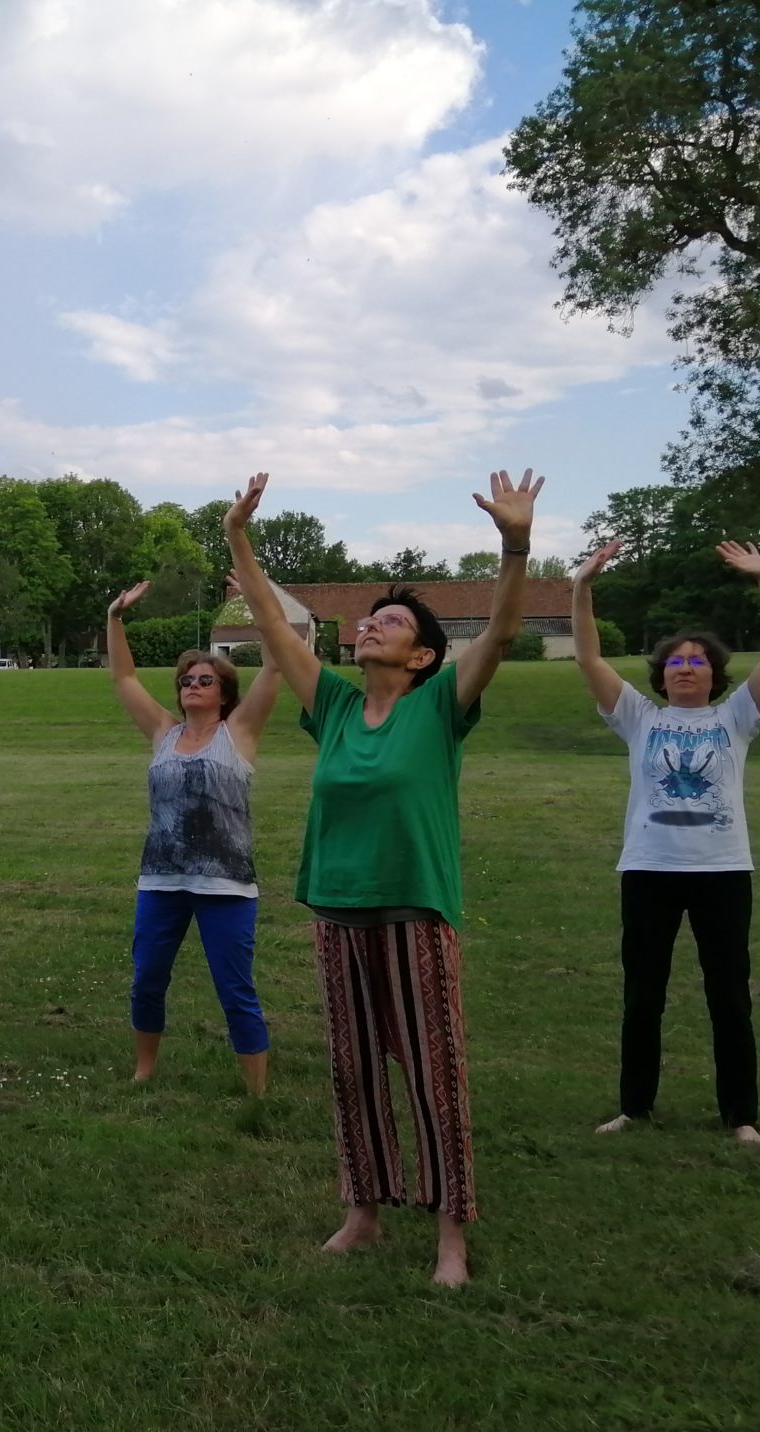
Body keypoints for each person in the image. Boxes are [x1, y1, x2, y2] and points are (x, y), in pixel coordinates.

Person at [227, 467, 544, 1289]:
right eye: (370, 619)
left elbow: (503, 635)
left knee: (434, 1073)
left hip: (413, 911)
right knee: (354, 1069)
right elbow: (273, 626)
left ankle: (451, 1233)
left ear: (424, 654)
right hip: (338, 912)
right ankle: (363, 1211)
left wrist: (515, 544)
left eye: (391, 621)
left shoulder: (439, 706)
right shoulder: (330, 705)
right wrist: (239, 538)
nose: (370, 626)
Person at [572, 538, 760, 1144]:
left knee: (730, 998)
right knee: (643, 996)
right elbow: (589, 659)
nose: (687, 666)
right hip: (649, 870)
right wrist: (583, 586)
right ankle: (634, 1107)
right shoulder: (638, 717)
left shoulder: (736, 717)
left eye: (698, 661)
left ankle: (740, 1117)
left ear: (715, 675)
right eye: (676, 661)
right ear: (662, 674)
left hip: (723, 871)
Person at [106, 578, 281, 1096]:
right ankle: (144, 1071)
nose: (193, 685)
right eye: (187, 680)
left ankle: (256, 1094)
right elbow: (123, 677)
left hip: (226, 885)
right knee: (147, 981)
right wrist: (115, 617)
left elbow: (275, 664)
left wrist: (253, 600)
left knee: (235, 989)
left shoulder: (240, 732)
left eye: (205, 680)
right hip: (161, 880)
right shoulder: (163, 733)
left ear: (225, 693)